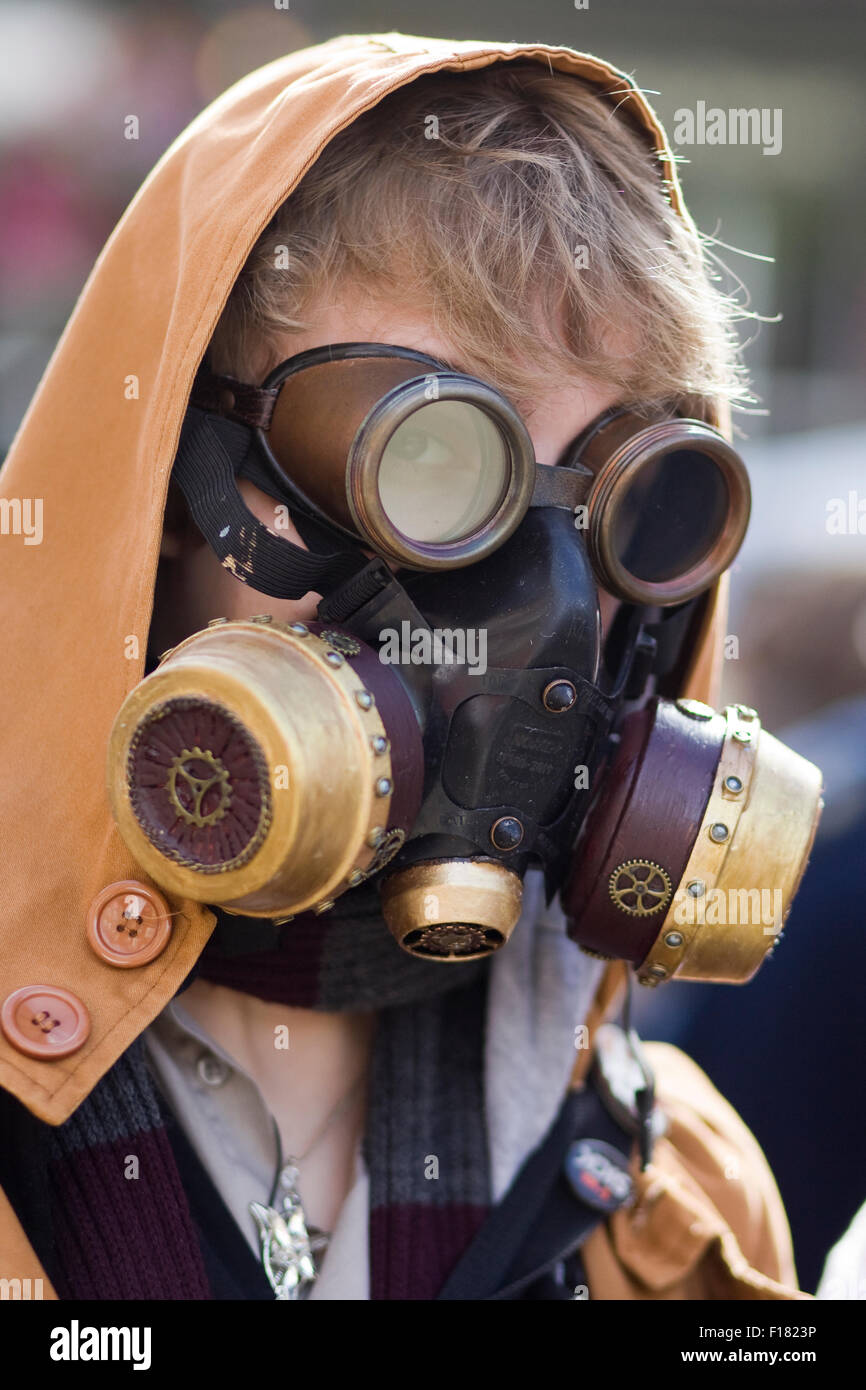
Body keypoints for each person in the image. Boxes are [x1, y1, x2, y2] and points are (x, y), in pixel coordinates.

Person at [0, 32, 816, 1302]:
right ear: (166, 479)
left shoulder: (672, 1202)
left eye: (625, 505)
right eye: (429, 467)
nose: (540, 608)